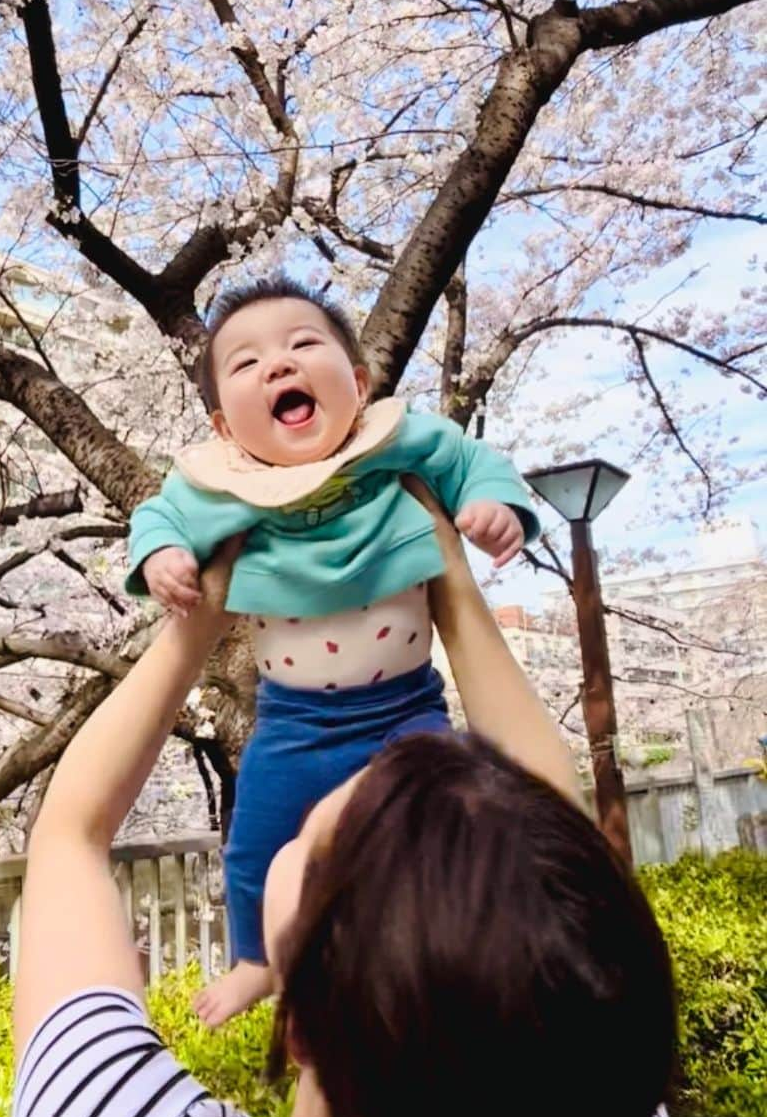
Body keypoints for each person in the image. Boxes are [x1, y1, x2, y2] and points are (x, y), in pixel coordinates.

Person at [13, 482, 677, 1117]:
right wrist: (443, 573)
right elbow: (552, 858)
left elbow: (67, 835)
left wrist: (198, 618)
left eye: (307, 839)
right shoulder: (596, 1114)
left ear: (301, 1026)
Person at [126, 277, 541, 1024]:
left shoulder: (394, 444)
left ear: (357, 383)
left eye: (303, 344)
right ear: (224, 427)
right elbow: (160, 517)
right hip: (294, 721)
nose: (279, 366)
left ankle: (447, 952)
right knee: (255, 841)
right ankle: (257, 957)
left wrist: (492, 506)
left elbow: (474, 462)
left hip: (406, 708)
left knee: (445, 827)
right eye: (247, 364)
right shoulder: (225, 487)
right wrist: (163, 559)